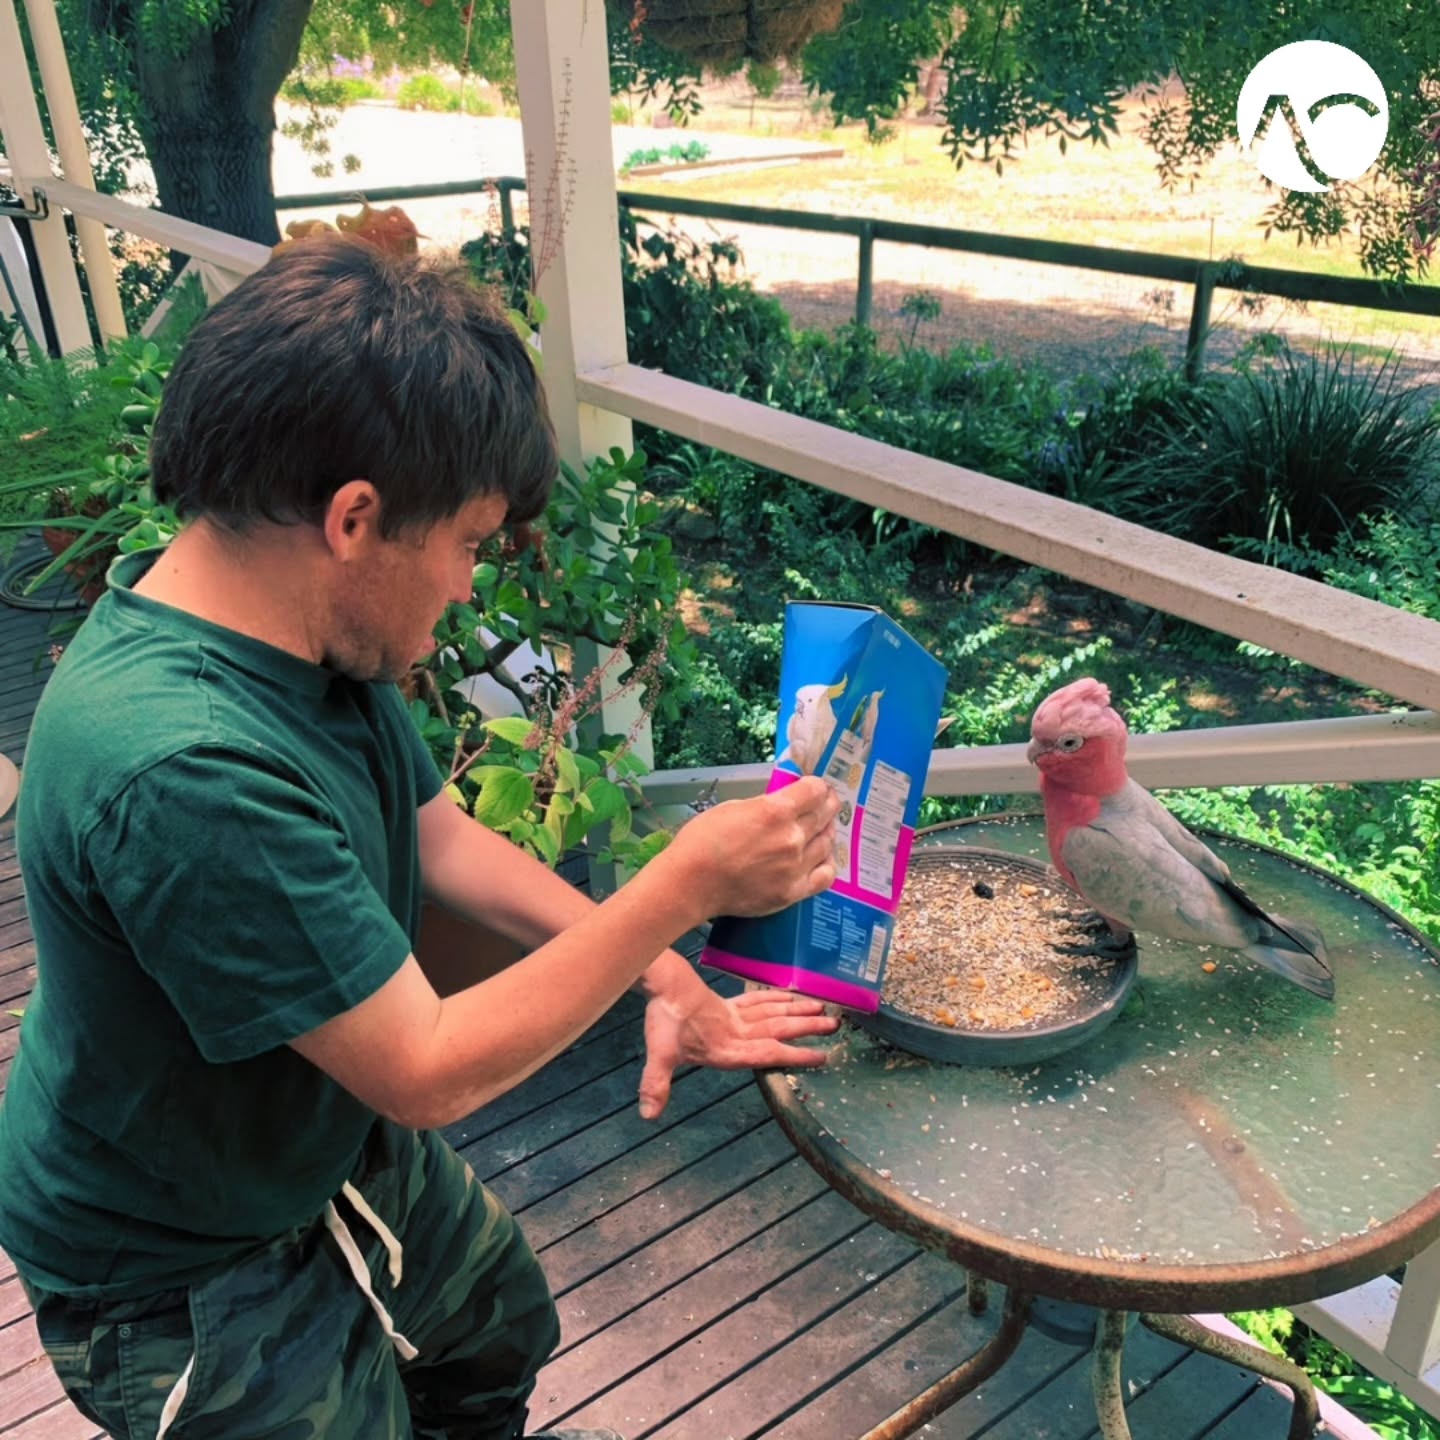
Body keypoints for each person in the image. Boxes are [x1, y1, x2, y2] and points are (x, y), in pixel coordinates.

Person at [0, 234, 842, 1440]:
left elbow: (439, 839)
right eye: (464, 543)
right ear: (354, 517)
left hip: (315, 1144)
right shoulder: (185, 766)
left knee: (499, 1333)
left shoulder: (279, 617)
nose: (463, 586)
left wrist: (661, 968)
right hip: (178, 1255)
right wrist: (681, 885)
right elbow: (427, 1066)